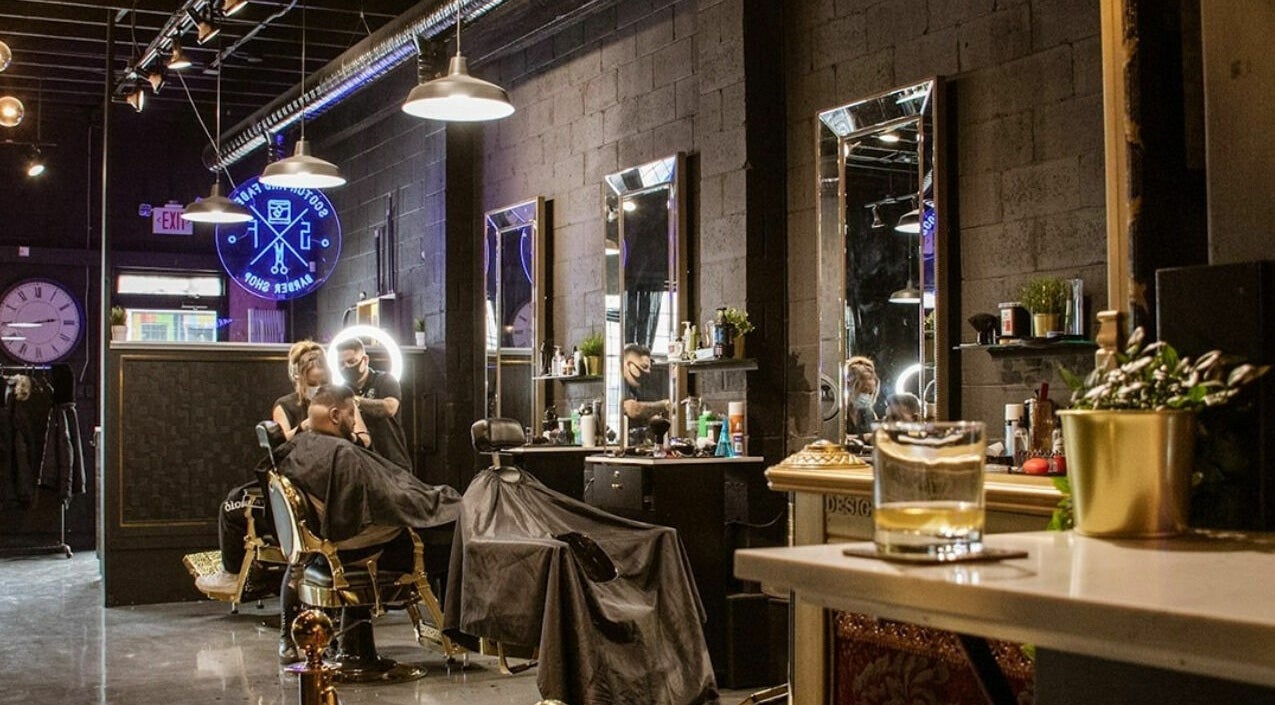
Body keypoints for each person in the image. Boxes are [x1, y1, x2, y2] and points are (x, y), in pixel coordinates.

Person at [274, 385, 461, 662]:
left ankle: (353, 643)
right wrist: (436, 502)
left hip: (321, 550)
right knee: (449, 533)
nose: (355, 421)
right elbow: (386, 501)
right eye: (352, 414)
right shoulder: (343, 455)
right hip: (360, 550)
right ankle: (460, 631)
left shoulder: (298, 447)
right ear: (336, 415)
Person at [335, 337, 412, 471]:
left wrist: (355, 401)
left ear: (365, 360)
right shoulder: (341, 391)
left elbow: (389, 408)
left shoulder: (385, 380)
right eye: (341, 364)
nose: (346, 367)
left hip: (392, 460)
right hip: (362, 464)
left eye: (351, 361)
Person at [620, 343, 671, 439]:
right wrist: (665, 404)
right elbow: (633, 409)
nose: (648, 372)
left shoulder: (645, 385)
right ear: (628, 365)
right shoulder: (619, 384)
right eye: (643, 367)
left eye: (649, 367)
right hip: (624, 442)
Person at [844, 355, 880, 441]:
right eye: (863, 391)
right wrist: (863, 438)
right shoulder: (839, 414)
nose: (866, 396)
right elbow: (833, 439)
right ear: (849, 387)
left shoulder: (869, 414)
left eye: (870, 393)